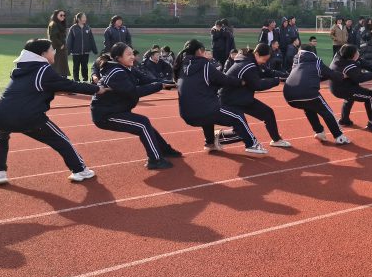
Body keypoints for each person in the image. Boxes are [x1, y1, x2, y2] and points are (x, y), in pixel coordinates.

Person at [0, 39, 105, 186]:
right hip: (28, 116)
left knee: (0, 138)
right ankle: (80, 170)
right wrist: (97, 89)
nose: (54, 52)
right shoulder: (43, 70)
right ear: (43, 54)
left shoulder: (21, 69)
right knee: (60, 140)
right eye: (52, 49)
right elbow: (69, 85)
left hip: (1, 113)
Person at [90, 42, 181, 170]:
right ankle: (155, 160)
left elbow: (147, 80)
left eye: (132, 53)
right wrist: (159, 86)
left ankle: (164, 150)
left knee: (144, 124)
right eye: (128, 54)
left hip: (117, 110)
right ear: (118, 58)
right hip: (105, 115)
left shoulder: (128, 68)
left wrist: (171, 83)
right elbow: (134, 92)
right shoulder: (116, 72)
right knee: (142, 124)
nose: (133, 56)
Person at [174, 39, 267, 155]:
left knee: (206, 113)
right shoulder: (204, 65)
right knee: (237, 116)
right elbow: (223, 79)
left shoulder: (180, 67)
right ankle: (252, 144)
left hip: (186, 114)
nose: (205, 54)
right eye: (204, 52)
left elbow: (202, 84)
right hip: (203, 110)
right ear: (199, 51)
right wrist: (240, 82)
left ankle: (210, 143)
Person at [220, 44, 292, 148]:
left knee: (268, 113)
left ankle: (276, 140)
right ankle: (215, 138)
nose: (265, 62)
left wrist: (286, 75)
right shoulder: (248, 65)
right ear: (257, 54)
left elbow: (267, 72)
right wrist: (276, 81)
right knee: (241, 132)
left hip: (242, 97)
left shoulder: (251, 61)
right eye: (264, 59)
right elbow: (257, 85)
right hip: (231, 99)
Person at [283, 45, 352, 144]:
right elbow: (331, 74)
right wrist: (343, 76)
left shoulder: (296, 62)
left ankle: (319, 131)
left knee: (309, 107)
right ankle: (339, 136)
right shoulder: (316, 61)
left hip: (289, 95)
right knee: (327, 112)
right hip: (308, 92)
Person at [329, 44, 372, 132]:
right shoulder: (346, 65)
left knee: (349, 98)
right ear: (352, 55)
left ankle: (344, 120)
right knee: (369, 96)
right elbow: (360, 78)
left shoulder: (343, 56)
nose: (358, 53)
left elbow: (363, 63)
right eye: (356, 52)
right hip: (342, 88)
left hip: (340, 86)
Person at [66, 12, 98, 82]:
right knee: (76, 67)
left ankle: (85, 79)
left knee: (85, 67)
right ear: (78, 19)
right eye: (83, 17)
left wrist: (94, 50)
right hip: (76, 52)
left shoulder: (88, 28)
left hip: (85, 52)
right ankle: (76, 80)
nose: (85, 19)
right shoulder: (73, 28)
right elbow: (69, 41)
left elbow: (91, 39)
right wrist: (68, 51)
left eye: (85, 17)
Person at [47, 9, 70, 77]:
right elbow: (53, 37)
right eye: (61, 15)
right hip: (57, 48)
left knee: (62, 66)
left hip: (61, 49)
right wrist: (61, 45)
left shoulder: (60, 24)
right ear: (56, 15)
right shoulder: (53, 24)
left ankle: (62, 80)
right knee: (57, 66)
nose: (63, 16)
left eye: (64, 15)